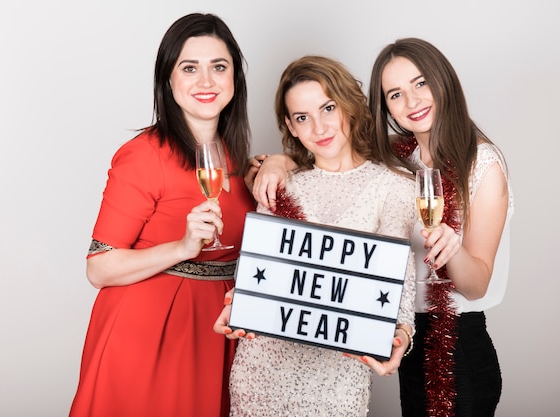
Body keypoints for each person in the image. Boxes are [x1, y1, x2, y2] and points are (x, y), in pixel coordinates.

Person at [252, 38, 514, 417]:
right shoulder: (398, 155)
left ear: (444, 82)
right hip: (406, 338)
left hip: (457, 347)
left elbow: (477, 285)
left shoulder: (482, 163)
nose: (412, 102)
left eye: (421, 84)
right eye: (395, 94)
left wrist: (453, 249)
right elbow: (331, 149)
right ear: (384, 104)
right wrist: (278, 163)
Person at [68, 13, 255, 417]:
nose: (206, 81)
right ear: (168, 81)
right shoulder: (143, 156)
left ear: (234, 80)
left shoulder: (238, 157)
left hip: (217, 331)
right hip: (150, 336)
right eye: (190, 68)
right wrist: (183, 247)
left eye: (218, 67)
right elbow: (99, 268)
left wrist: (280, 165)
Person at [214, 55, 417, 417]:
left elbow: (399, 268)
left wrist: (402, 330)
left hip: (338, 380)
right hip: (260, 372)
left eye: (328, 108)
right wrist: (237, 306)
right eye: (303, 118)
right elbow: (259, 268)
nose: (320, 127)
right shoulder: (278, 182)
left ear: (349, 107)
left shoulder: (393, 185)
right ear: (291, 127)